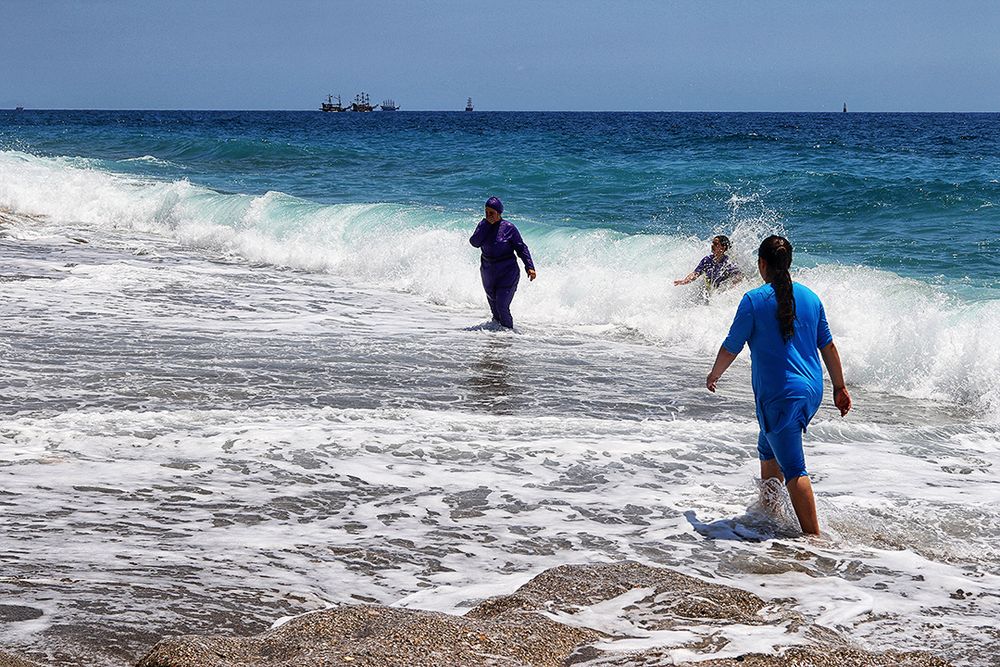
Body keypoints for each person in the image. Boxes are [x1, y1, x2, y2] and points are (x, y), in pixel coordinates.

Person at [705, 235, 851, 535]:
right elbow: (829, 347)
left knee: (795, 469)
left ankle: (814, 540)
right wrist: (839, 387)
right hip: (811, 390)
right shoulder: (810, 297)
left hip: (780, 394)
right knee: (767, 446)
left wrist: (714, 374)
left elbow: (732, 345)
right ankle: (769, 513)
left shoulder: (754, 300)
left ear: (761, 264)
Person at [469, 197, 536, 329]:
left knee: (502, 306)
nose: (489, 216)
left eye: (492, 213)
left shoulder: (509, 228)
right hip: (488, 271)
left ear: (499, 213)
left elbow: (521, 248)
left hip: (507, 272)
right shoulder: (483, 226)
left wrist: (530, 267)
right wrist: (486, 225)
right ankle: (497, 342)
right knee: (494, 308)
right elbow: (474, 243)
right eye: (486, 212)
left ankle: (509, 336)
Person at [674, 235, 742, 289]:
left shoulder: (728, 262)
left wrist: (731, 287)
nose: (712, 245)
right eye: (712, 243)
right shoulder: (707, 260)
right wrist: (684, 281)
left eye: (715, 244)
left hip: (720, 293)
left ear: (723, 247)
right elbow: (695, 274)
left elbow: (738, 276)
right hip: (709, 290)